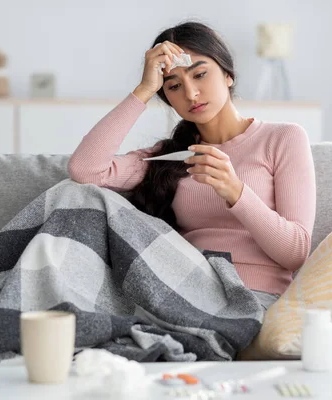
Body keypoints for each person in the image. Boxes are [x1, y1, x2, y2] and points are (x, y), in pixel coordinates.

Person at [68, 21, 316, 310]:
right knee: (71, 197)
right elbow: (85, 170)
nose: (191, 93)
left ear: (228, 75)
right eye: (174, 86)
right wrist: (144, 90)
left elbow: (296, 252)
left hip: (254, 297)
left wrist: (236, 191)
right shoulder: (169, 158)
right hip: (184, 292)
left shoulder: (283, 138)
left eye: (200, 74)